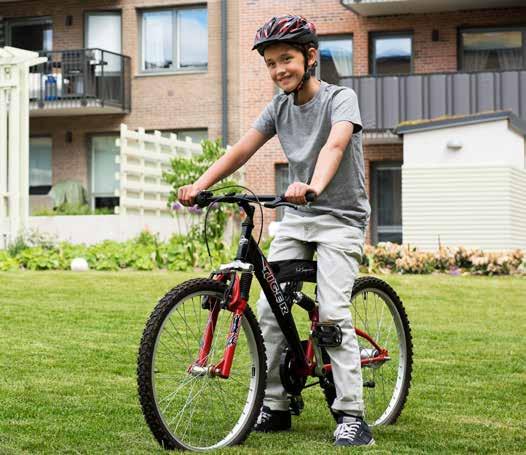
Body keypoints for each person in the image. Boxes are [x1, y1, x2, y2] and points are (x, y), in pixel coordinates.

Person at [178, 14, 373, 447]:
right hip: (297, 216)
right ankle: (274, 404)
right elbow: (242, 149)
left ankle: (352, 415)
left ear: (310, 57)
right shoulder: (278, 107)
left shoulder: (341, 99)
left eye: (286, 58)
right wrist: (201, 186)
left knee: (333, 313)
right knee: (268, 311)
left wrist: (314, 185)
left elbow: (335, 144)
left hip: (340, 217)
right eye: (270, 63)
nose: (278, 69)